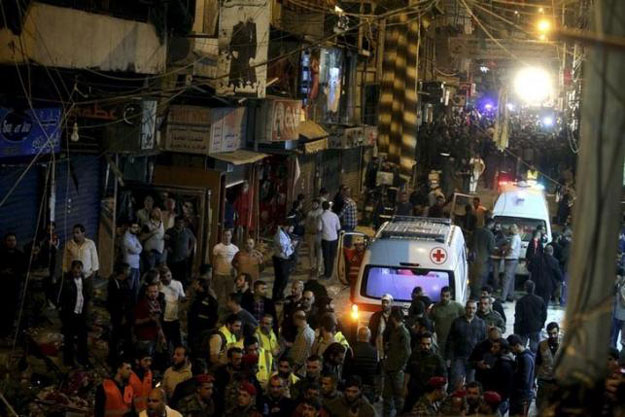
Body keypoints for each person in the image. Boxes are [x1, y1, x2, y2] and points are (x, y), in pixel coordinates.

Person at [445, 300, 487, 390]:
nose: (471, 310)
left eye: (473, 308)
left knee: (471, 384)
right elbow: (450, 340)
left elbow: (483, 342)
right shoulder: (457, 322)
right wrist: (448, 357)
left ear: (476, 309)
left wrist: (482, 358)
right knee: (456, 383)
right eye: (469, 308)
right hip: (458, 357)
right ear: (465, 309)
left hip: (473, 360)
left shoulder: (481, 323)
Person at [58, 260, 91, 368]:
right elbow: (57, 294)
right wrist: (61, 308)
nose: (78, 271)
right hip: (69, 314)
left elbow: (86, 294)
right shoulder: (65, 280)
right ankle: (69, 361)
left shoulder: (84, 280)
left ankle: (83, 359)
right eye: (76, 269)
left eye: (79, 269)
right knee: (69, 338)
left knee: (83, 337)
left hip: (81, 313)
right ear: (72, 269)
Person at [404, 331, 446, 412]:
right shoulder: (414, 356)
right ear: (420, 344)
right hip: (414, 390)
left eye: (428, 344)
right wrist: (405, 387)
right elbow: (408, 371)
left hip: (429, 391)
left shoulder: (437, 359)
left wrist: (440, 392)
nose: (426, 347)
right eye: (423, 344)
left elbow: (443, 377)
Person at [382, 307, 411, 417]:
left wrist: (399, 367)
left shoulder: (403, 333)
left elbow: (407, 353)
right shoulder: (395, 331)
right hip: (391, 368)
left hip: (397, 370)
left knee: (399, 400)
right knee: (387, 398)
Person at [343, 327, 380, 404]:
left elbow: (345, 369)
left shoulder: (352, 349)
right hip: (369, 386)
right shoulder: (375, 351)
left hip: (353, 386)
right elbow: (378, 370)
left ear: (358, 336)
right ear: (369, 337)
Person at [188, 265, 219, 357]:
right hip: (194, 328)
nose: (194, 286)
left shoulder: (208, 299)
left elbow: (213, 315)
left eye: (196, 284)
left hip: (202, 329)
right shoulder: (197, 297)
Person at [107, 263, 134, 366]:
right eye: (128, 270)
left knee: (125, 338)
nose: (130, 272)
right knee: (116, 337)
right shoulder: (114, 284)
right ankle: (114, 359)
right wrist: (122, 316)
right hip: (119, 316)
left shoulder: (124, 282)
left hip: (125, 315)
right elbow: (116, 302)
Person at [429, 286, 464, 361]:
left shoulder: (458, 307)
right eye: (442, 295)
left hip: (454, 340)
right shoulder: (435, 308)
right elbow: (430, 322)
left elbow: (465, 319)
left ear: (451, 296)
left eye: (447, 296)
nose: (444, 298)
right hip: (440, 340)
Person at [514, 280, 547, 353]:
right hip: (535, 328)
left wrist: (516, 330)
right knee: (534, 349)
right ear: (534, 288)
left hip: (524, 328)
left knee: (521, 349)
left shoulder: (520, 301)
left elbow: (518, 317)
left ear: (525, 288)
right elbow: (544, 314)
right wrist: (541, 324)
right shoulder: (540, 300)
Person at [482, 338, 514, 414]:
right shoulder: (501, 362)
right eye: (492, 346)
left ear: (503, 350)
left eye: (495, 347)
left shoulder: (504, 365)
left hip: (498, 401)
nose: (492, 349)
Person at [134, 281, 166, 355]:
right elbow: (136, 321)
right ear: (146, 292)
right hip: (144, 339)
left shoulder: (157, 304)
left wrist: (162, 337)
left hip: (154, 338)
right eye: (151, 292)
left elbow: (158, 322)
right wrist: (148, 319)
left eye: (155, 292)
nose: (153, 294)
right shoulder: (142, 304)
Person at [507, 334, 535, 416]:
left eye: (511, 348)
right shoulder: (520, 356)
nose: (511, 351)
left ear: (517, 346)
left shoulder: (525, 358)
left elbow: (524, 379)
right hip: (519, 395)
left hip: (522, 397)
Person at [159, 265, 186, 349]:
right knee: (164, 346)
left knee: (177, 344)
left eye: (168, 276)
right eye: (164, 277)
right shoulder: (159, 286)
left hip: (175, 319)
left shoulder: (178, 284)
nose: (167, 278)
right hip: (163, 320)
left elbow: (183, 298)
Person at [166, 216, 197, 286]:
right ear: (175, 223)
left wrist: (189, 250)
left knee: (183, 277)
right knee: (173, 276)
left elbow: (193, 240)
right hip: (172, 259)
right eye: (178, 223)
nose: (180, 224)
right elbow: (164, 241)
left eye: (182, 223)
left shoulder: (187, 231)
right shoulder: (169, 231)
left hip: (184, 258)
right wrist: (167, 247)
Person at [535, 322, 560, 409]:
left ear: (558, 332)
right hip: (544, 380)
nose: (552, 336)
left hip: (557, 381)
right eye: (550, 333)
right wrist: (533, 379)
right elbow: (537, 362)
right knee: (540, 405)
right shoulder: (542, 345)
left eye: (554, 333)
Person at [469, 219, 495, 299]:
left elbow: (469, 243)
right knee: (481, 280)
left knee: (472, 279)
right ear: (491, 224)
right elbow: (491, 249)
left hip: (472, 260)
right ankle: (477, 298)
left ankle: (471, 295)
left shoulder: (476, 231)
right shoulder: (490, 234)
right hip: (483, 261)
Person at [212, 229, 239, 307]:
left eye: (228, 235)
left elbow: (237, 263)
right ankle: (215, 309)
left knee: (230, 295)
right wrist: (213, 273)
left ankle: (228, 311)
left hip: (230, 275)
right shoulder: (217, 247)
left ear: (231, 236)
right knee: (217, 294)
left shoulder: (235, 248)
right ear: (222, 236)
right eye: (225, 235)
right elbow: (213, 261)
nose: (226, 237)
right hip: (219, 274)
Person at [289, 310, 316, 377]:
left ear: (297, 319)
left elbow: (302, 354)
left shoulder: (304, 335)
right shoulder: (310, 331)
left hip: (300, 370)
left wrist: (294, 368)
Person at [319, 201, 341, 280]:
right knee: (332, 256)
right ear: (329, 207)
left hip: (325, 239)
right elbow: (338, 227)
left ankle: (327, 274)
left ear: (322, 207)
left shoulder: (321, 216)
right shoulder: (335, 215)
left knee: (326, 257)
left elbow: (319, 228)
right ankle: (330, 272)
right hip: (334, 239)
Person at [273, 221, 295, 300]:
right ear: (287, 226)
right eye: (291, 228)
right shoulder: (280, 236)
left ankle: (279, 295)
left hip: (284, 259)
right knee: (281, 280)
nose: (292, 230)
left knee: (283, 280)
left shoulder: (284, 234)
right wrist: (292, 246)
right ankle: (276, 297)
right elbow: (284, 250)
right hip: (281, 260)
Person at [122, 221, 143, 300]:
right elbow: (136, 250)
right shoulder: (126, 238)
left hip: (136, 265)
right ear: (129, 228)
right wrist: (137, 249)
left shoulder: (133, 236)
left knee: (135, 287)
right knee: (130, 287)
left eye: (137, 227)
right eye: (134, 227)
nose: (136, 229)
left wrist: (137, 249)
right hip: (130, 265)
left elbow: (140, 248)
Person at [369, 293, 393, 359]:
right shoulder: (375, 316)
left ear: (391, 303)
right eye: (383, 302)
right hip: (377, 347)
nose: (385, 304)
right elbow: (371, 331)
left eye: (387, 302)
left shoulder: (394, 317)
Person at [501, 224, 521, 302]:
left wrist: (505, 253)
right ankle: (510, 295)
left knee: (506, 279)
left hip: (510, 259)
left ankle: (503, 297)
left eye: (510, 229)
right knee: (511, 279)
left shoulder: (514, 238)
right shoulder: (518, 237)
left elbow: (511, 248)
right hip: (515, 260)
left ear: (512, 229)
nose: (509, 231)